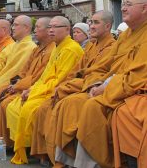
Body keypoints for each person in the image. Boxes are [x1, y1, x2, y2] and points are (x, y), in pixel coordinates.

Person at [54, 0, 147, 168]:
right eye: (123, 4)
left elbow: (136, 76)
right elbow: (105, 67)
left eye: (128, 4)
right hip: (114, 86)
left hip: (127, 90)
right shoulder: (126, 35)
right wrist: (96, 83)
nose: (124, 8)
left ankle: (95, 163)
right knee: (69, 102)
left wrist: (105, 88)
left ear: (144, 8)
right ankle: (67, 160)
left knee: (91, 106)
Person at [30, 11, 115, 167]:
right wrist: (66, 84)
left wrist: (70, 85)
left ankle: (66, 157)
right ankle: (48, 154)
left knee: (66, 104)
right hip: (79, 84)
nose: (91, 26)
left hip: (90, 87)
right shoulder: (90, 46)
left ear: (108, 26)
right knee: (45, 107)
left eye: (96, 23)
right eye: (91, 22)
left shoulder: (111, 47)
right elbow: (76, 70)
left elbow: (98, 73)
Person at [6, 16, 84, 164]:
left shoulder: (71, 49)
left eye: (55, 27)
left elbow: (59, 80)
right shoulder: (57, 47)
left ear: (68, 30)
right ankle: (30, 148)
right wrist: (31, 89)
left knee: (30, 108)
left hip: (59, 91)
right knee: (16, 105)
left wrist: (34, 91)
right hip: (43, 88)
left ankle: (40, 151)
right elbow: (45, 76)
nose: (51, 30)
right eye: (50, 27)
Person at [0, 17, 56, 149]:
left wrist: (17, 86)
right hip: (23, 84)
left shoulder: (45, 49)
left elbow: (40, 76)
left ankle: (21, 144)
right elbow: (23, 71)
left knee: (6, 102)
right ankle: (2, 141)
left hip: (37, 88)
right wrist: (12, 83)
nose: (35, 31)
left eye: (38, 28)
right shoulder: (37, 49)